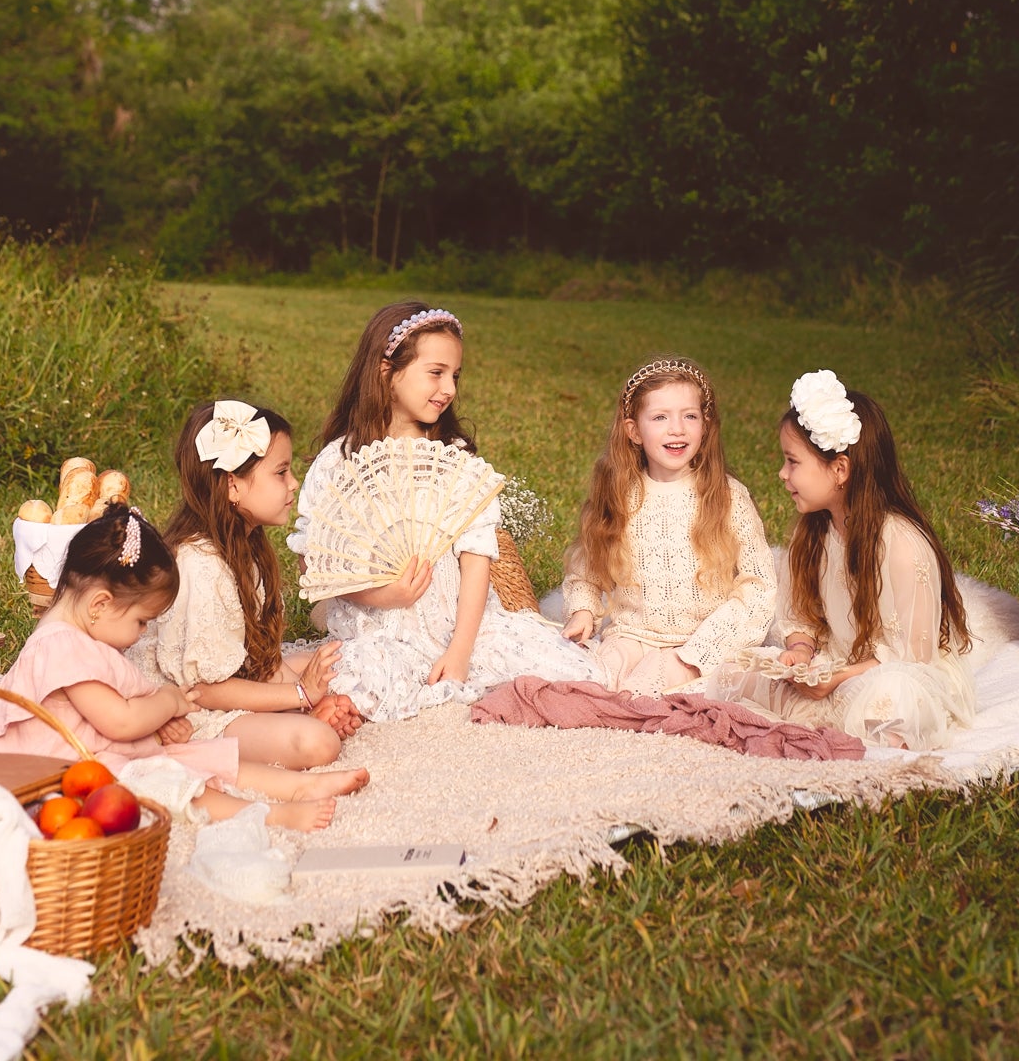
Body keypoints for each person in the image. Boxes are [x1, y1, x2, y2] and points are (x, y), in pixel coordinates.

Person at [288, 300, 602, 719]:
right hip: (378, 629)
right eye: (435, 373)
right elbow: (316, 565)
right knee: (362, 679)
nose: (449, 388)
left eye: (455, 375)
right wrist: (384, 595)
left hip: (460, 625)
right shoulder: (339, 462)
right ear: (386, 372)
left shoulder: (452, 457)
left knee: (572, 671)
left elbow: (476, 558)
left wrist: (460, 651)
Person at [0, 502, 368, 829]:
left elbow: (106, 714)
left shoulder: (79, 635)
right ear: (100, 604)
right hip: (61, 775)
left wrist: (159, 723)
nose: (141, 633)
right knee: (167, 779)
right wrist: (168, 702)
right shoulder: (61, 646)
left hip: (95, 754)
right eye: (141, 622)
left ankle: (298, 787)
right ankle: (270, 815)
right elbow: (121, 722)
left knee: (199, 755)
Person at [743, 369, 974, 749]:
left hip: (897, 670)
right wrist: (801, 650)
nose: (782, 474)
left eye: (793, 462)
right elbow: (803, 615)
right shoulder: (812, 532)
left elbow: (913, 658)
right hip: (838, 661)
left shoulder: (902, 545)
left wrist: (840, 678)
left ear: (840, 470)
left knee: (891, 697)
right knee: (744, 673)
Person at [133, 398, 360, 769]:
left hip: (226, 679)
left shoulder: (246, 547)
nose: (294, 483)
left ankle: (293, 713)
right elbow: (205, 690)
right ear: (232, 485)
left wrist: (311, 700)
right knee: (317, 743)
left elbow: (261, 658)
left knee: (332, 665)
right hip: (185, 706)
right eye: (281, 472)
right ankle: (193, 752)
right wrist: (301, 695)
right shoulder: (199, 564)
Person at [561, 355, 775, 693]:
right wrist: (583, 611)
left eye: (689, 416)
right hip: (631, 634)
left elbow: (758, 587)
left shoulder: (727, 496)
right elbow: (587, 569)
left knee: (644, 692)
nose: (677, 428)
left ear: (705, 425)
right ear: (634, 431)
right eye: (660, 417)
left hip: (693, 644)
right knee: (590, 681)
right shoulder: (619, 493)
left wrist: (700, 651)